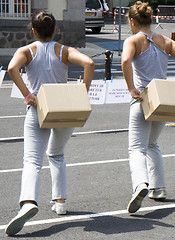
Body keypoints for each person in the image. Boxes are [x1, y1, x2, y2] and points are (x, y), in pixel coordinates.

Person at [5, 11, 95, 236]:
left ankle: (28, 202)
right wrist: (81, 93)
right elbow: (89, 63)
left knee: (32, 160)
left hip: (38, 107)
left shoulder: (26, 51)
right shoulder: (64, 50)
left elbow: (11, 69)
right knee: (57, 154)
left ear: (33, 31)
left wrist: (27, 94)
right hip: (63, 107)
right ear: (55, 30)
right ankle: (60, 201)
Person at [121, 1, 175, 213]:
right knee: (152, 144)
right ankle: (159, 187)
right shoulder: (164, 40)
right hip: (162, 99)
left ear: (133, 22)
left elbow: (126, 61)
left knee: (136, 147)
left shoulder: (133, 40)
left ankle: (140, 184)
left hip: (142, 98)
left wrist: (131, 88)